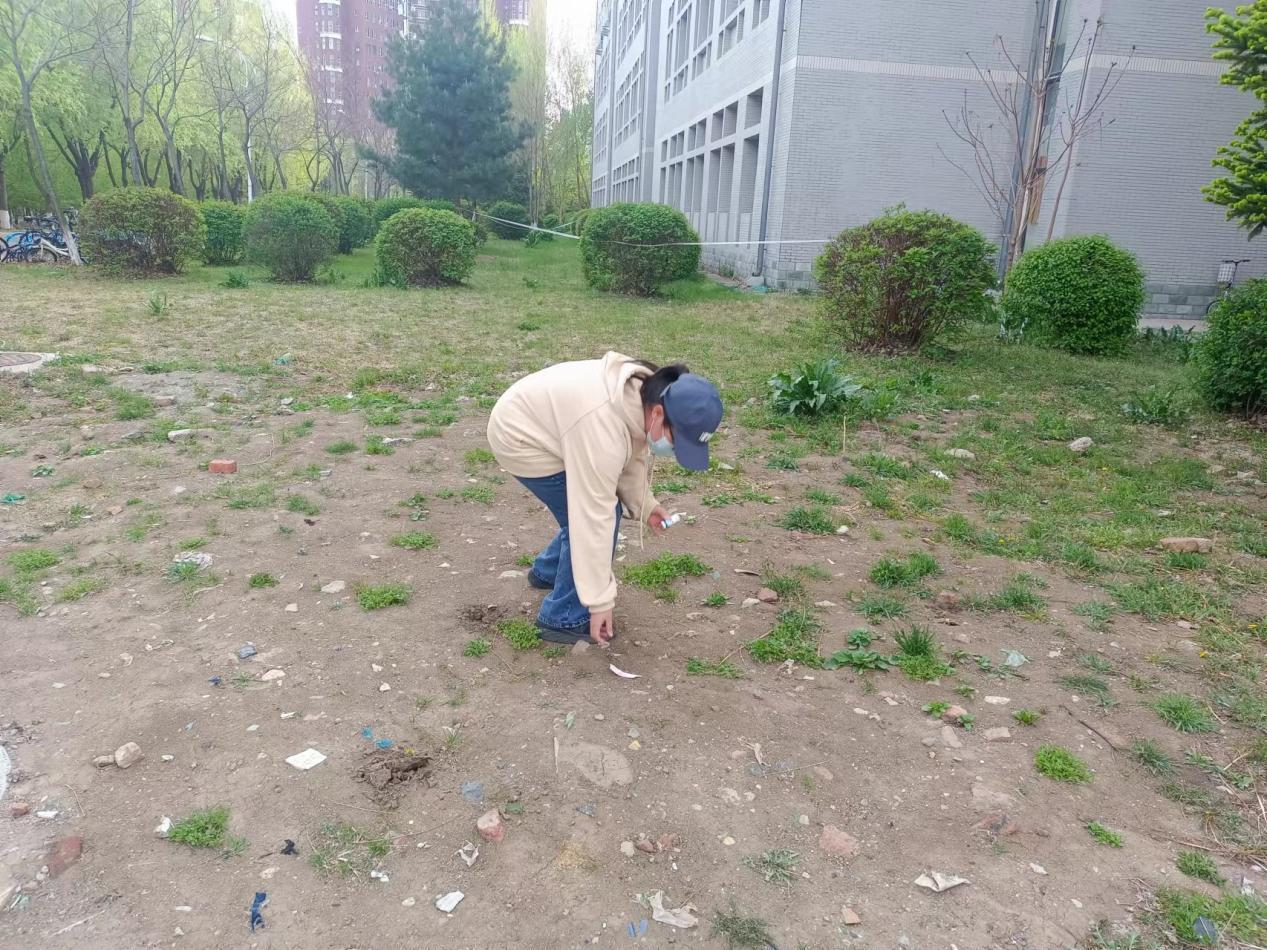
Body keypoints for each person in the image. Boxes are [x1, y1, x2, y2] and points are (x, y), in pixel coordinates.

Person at [487, 352, 724, 645]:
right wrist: (599, 601)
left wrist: (646, 506)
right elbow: (592, 516)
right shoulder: (601, 427)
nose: (676, 451)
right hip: (519, 437)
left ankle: (548, 572)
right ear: (658, 414)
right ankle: (564, 618)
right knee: (598, 514)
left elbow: (630, 453)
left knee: (586, 512)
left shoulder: (641, 395)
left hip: (541, 419)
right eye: (679, 441)